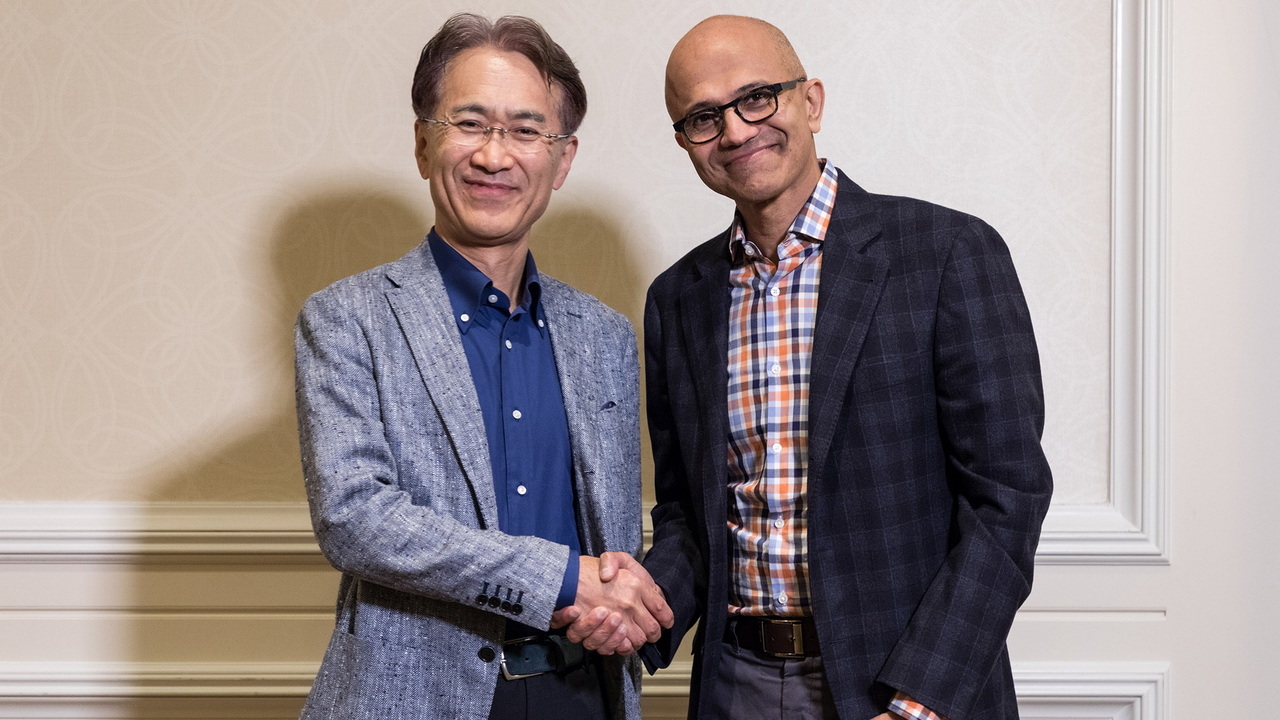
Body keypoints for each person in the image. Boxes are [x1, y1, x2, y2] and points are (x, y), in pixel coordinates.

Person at [572, 14, 1053, 720]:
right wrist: (637, 607)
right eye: (704, 117)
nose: (735, 131)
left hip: (899, 686)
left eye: (756, 97)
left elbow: (1007, 499)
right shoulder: (678, 299)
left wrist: (920, 702)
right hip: (733, 684)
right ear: (685, 142)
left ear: (811, 101)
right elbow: (690, 517)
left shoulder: (948, 253)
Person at [293, 13, 671, 720]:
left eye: (526, 131)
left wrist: (616, 607)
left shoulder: (605, 336)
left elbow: (615, 534)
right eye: (470, 123)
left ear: (562, 160)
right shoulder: (347, 318)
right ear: (423, 142)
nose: (494, 156)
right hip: (416, 700)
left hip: (585, 693)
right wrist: (562, 579)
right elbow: (356, 518)